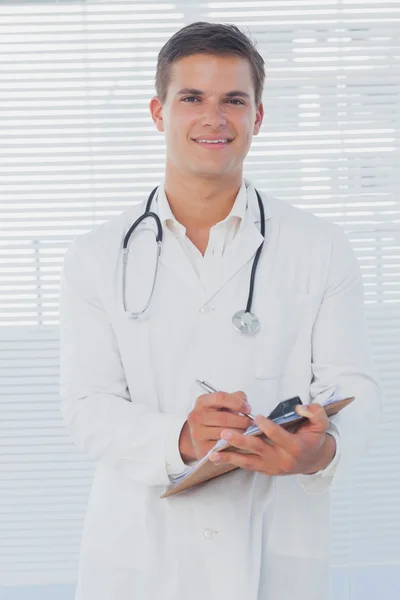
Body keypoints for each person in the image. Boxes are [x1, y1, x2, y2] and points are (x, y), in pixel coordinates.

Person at [59, 21, 382, 600]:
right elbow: (87, 407)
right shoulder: (96, 255)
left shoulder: (321, 246)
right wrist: (180, 438)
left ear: (258, 117)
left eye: (234, 100)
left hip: (274, 546)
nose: (215, 117)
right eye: (192, 99)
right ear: (159, 113)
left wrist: (321, 450)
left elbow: (353, 383)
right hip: (138, 553)